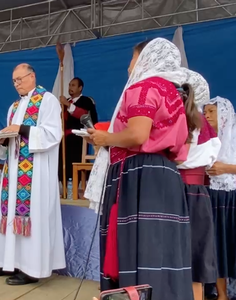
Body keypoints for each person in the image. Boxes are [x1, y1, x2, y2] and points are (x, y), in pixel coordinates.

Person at [85, 38, 193, 300]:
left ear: (145, 59)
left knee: (136, 248)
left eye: (132, 59)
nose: (128, 67)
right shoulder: (175, 93)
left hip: (139, 174)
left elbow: (137, 135)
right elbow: (180, 151)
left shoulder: (142, 87)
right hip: (166, 176)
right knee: (163, 251)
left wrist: (104, 139)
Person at [0, 63, 66, 285]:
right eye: (14, 81)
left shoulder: (46, 99)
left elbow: (52, 134)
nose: (16, 84)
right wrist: (2, 139)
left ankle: (30, 269)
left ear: (32, 76)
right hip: (13, 169)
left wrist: (20, 129)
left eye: (20, 79)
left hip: (35, 172)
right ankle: (7, 262)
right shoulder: (14, 106)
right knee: (9, 216)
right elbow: (13, 137)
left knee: (32, 217)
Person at [177, 68, 220, 300]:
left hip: (172, 190)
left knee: (176, 253)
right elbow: (211, 155)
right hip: (197, 192)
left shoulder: (174, 117)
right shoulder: (202, 122)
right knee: (196, 254)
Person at [202, 96, 236, 300]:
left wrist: (226, 168)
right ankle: (221, 294)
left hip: (233, 195)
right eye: (204, 112)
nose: (206, 115)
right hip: (213, 197)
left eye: (211, 112)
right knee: (217, 245)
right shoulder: (205, 139)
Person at [58, 77, 98, 189]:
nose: (70, 87)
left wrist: (68, 105)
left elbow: (84, 116)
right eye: (69, 85)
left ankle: (77, 188)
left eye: (73, 85)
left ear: (80, 88)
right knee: (62, 163)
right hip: (64, 138)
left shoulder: (86, 101)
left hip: (78, 138)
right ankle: (64, 189)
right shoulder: (66, 102)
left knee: (75, 161)